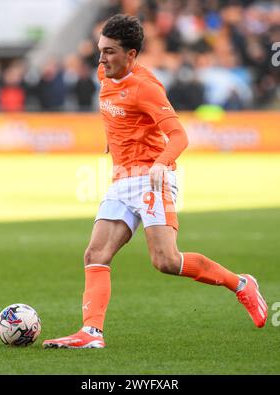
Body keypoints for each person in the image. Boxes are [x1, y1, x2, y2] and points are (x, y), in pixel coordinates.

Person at [43, 14, 268, 349]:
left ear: (131, 55)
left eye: (110, 51)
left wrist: (161, 164)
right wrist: (114, 142)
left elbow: (179, 136)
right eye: (101, 50)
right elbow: (115, 114)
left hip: (152, 178)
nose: (101, 57)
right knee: (95, 253)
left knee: (166, 261)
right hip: (121, 179)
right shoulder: (104, 74)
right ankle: (91, 333)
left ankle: (240, 284)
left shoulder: (146, 87)